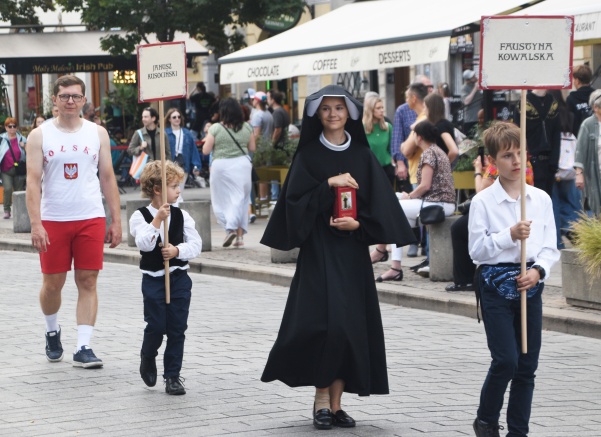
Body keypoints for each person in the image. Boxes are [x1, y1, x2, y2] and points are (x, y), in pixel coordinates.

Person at [260, 85, 415, 430]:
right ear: (317, 113)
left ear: (350, 113)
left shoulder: (362, 155)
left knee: (349, 327)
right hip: (319, 251)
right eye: (326, 108)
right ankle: (320, 400)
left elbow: (380, 208)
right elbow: (294, 207)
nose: (333, 114)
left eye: (339, 108)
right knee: (324, 324)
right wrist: (328, 184)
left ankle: (337, 404)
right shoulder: (308, 156)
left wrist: (359, 225)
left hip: (351, 252)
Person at [468, 122, 560, 437]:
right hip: (494, 286)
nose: (517, 161)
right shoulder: (483, 202)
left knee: (527, 365)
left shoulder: (540, 199)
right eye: (508, 155)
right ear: (493, 160)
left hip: (529, 285)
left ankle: (518, 431)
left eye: (521, 153)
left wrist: (538, 271)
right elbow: (476, 250)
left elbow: (550, 247)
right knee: (506, 360)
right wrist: (509, 235)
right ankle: (486, 420)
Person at [26, 75, 122, 368]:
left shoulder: (97, 133)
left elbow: (108, 177)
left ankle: (83, 346)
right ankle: (51, 331)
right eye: (65, 96)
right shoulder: (39, 135)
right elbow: (32, 182)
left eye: (76, 96)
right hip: (54, 219)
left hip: (90, 216)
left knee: (88, 279)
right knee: (53, 284)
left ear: (84, 100)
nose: (70, 101)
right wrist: (36, 224)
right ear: (54, 100)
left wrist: (116, 220)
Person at [129, 160, 202, 395]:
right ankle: (148, 355)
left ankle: (172, 375)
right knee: (157, 325)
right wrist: (158, 220)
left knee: (177, 328)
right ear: (157, 189)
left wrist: (177, 251)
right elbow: (144, 244)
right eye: (173, 186)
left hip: (178, 277)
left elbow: (196, 244)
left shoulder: (182, 215)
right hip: (153, 279)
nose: (179, 190)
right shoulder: (139, 216)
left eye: (178, 185)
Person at [372, 121, 455, 282]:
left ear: (419, 137)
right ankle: (394, 267)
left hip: (437, 204)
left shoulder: (429, 154)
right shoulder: (438, 151)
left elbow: (425, 186)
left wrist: (409, 197)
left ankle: (382, 253)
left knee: (393, 208)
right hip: (442, 203)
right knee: (396, 216)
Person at [445, 155, 534, 292]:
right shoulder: (526, 162)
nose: (515, 160)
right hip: (521, 207)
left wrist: (477, 171)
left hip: (501, 209)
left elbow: (480, 191)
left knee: (458, 228)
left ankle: (464, 280)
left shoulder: (496, 165)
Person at [202, 98, 256, 248]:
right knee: (241, 199)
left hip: (221, 166)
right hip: (242, 165)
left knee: (221, 200)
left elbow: (206, 150)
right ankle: (239, 237)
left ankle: (230, 227)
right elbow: (252, 147)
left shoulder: (216, 128)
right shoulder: (247, 127)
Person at [548, 89, 582, 249]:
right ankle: (574, 230)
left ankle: (558, 241)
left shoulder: (549, 115)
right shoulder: (569, 114)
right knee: (572, 202)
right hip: (570, 166)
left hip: (554, 165)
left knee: (554, 203)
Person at [515, 90, 561, 197]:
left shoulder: (552, 101)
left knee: (546, 198)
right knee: (533, 198)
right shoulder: (524, 102)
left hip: (549, 161)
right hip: (532, 159)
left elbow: (556, 133)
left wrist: (555, 160)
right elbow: (518, 133)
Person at [574, 89, 601, 217]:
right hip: (595, 173)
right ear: (595, 107)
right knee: (597, 208)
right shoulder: (588, 124)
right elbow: (580, 150)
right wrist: (579, 174)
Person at [164, 108, 202, 195]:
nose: (177, 119)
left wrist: (196, 166)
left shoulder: (187, 133)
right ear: (169, 119)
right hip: (169, 166)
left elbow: (193, 151)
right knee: (170, 192)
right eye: (174, 117)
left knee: (179, 191)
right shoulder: (165, 133)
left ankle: (176, 203)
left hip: (183, 165)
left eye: (179, 117)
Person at [363, 96, 394, 186]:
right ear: (370, 110)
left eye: (382, 107)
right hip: (369, 169)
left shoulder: (387, 127)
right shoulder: (362, 128)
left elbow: (392, 149)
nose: (382, 110)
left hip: (387, 169)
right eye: (378, 108)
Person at [0, 118, 27, 219]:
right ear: (6, 127)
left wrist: (24, 147)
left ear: (17, 127)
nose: (12, 128)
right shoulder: (2, 139)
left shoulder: (22, 139)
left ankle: (18, 211)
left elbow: (30, 152)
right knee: (7, 189)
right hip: (5, 170)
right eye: (9, 126)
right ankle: (7, 210)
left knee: (18, 191)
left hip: (19, 169)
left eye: (14, 126)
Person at [424, 93, 459, 164]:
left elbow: (454, 150)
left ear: (430, 109)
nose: (423, 110)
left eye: (425, 107)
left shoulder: (441, 126)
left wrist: (443, 165)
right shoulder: (442, 124)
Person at [567, 64, 595, 137]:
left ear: (577, 81)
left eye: (573, 79)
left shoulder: (571, 99)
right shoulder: (597, 96)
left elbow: (569, 122)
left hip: (579, 138)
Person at [461, 69, 483, 136]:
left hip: (480, 118)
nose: (475, 77)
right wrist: (475, 89)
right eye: (473, 77)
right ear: (468, 80)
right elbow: (466, 102)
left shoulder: (477, 85)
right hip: (470, 119)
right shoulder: (464, 88)